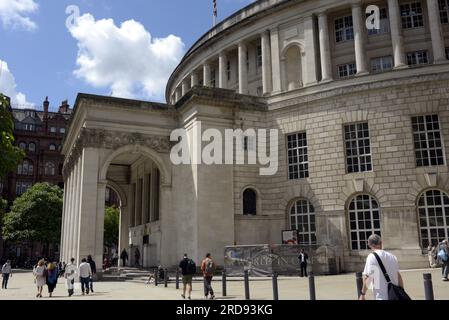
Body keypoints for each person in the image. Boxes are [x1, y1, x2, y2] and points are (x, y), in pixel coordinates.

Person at [359, 234, 405, 300]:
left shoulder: (372, 257)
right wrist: (402, 292)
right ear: (381, 243)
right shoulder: (392, 256)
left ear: (369, 244)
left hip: (382, 296)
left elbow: (369, 278)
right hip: (395, 296)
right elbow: (399, 277)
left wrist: (362, 294)